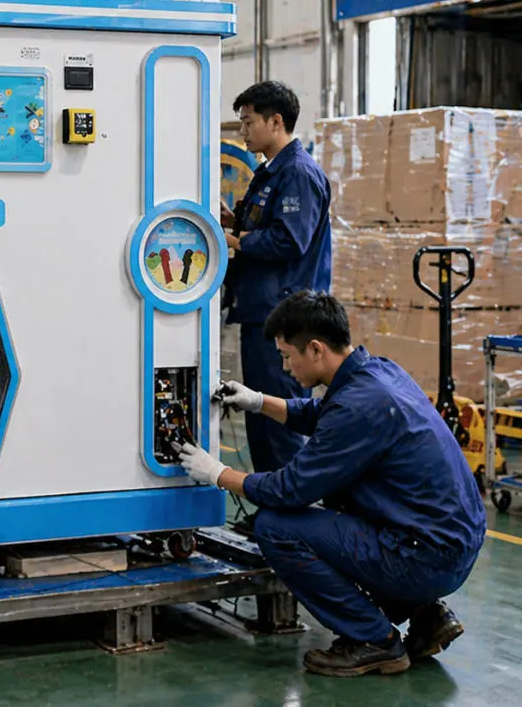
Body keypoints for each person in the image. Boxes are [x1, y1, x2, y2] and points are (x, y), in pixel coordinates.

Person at [179, 291, 485, 678]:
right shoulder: (378, 373)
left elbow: (287, 490)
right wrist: (258, 401)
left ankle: (375, 641)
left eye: (288, 356)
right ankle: (426, 615)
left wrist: (215, 473)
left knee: (277, 526)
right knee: (343, 506)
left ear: (316, 349)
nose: (286, 367)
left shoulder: (359, 407)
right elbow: (321, 413)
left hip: (427, 559)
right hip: (448, 544)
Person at [221, 81, 331, 474]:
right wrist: (233, 222)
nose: (243, 132)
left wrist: (236, 238)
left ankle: (291, 517)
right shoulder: (269, 173)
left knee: (279, 417)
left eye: (249, 123)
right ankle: (270, 504)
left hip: (283, 313)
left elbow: (289, 240)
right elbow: (266, 224)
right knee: (259, 413)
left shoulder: (298, 173)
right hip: (260, 311)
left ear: (276, 121)